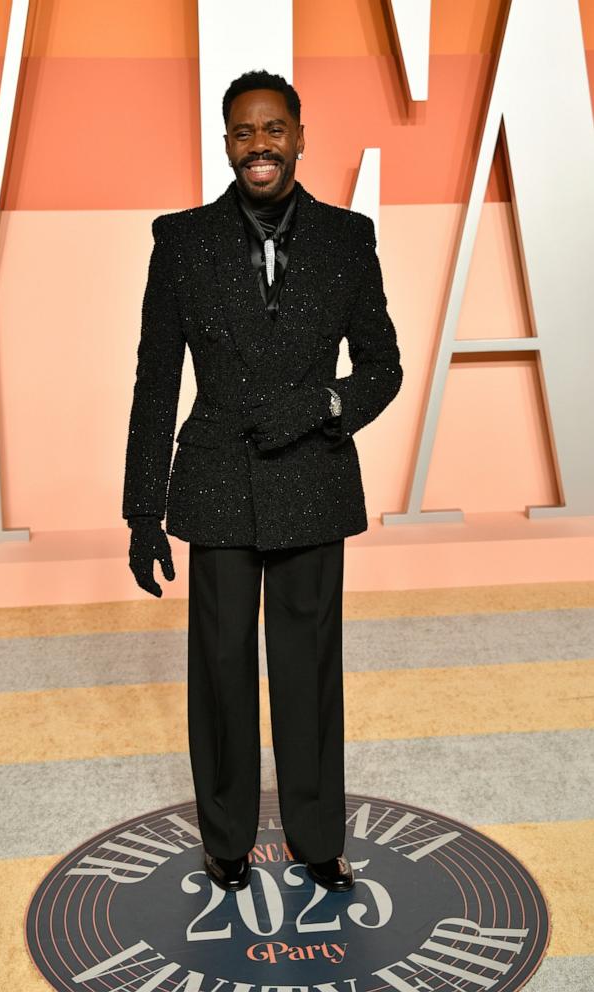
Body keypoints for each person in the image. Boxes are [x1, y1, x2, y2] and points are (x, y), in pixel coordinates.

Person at [122, 70, 402, 893]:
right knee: (220, 667)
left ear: (299, 137)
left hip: (311, 480)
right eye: (243, 132)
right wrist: (144, 510)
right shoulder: (179, 241)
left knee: (309, 668)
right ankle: (225, 838)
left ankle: (318, 840)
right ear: (226, 144)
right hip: (214, 483)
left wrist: (324, 402)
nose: (259, 145)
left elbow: (381, 369)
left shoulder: (348, 239)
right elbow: (154, 379)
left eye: (273, 129)